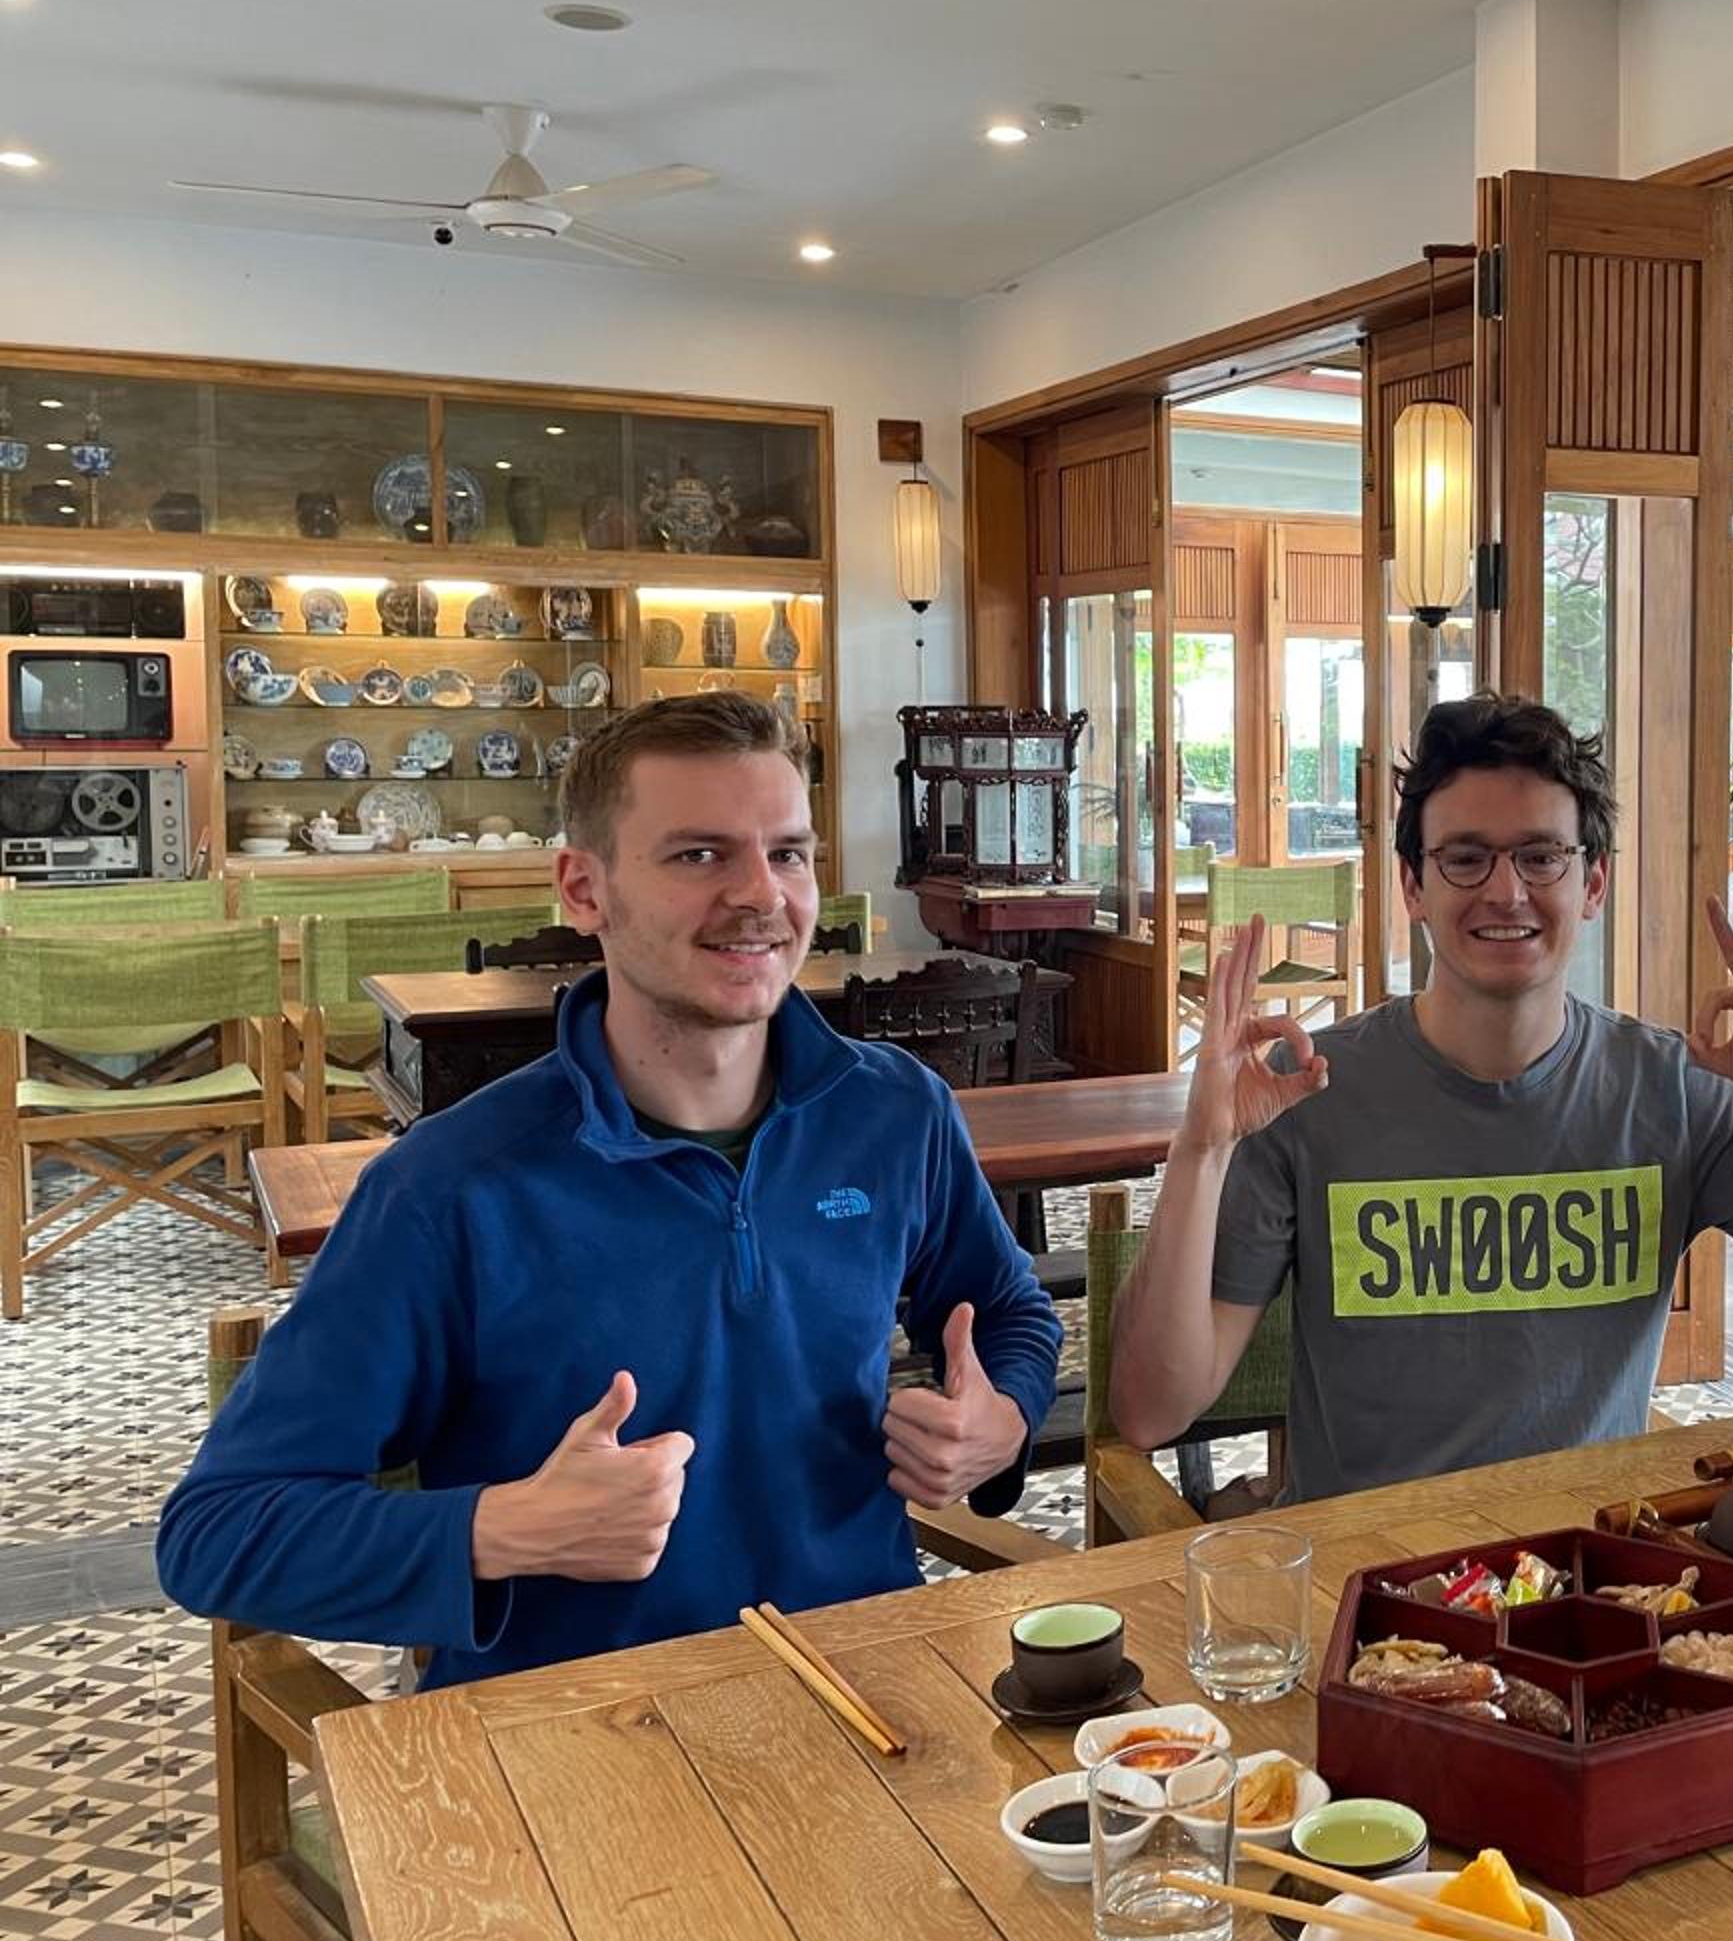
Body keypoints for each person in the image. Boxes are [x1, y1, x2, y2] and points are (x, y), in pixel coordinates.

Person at [158, 694, 1060, 1684]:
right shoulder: (448, 1187)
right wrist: (501, 1528)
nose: (761, 895)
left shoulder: (895, 1112)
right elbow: (218, 1534)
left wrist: (1005, 1422)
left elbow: (1008, 1310)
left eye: (789, 854)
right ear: (583, 891)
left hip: (861, 1681)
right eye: (700, 855)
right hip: (572, 1725)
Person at [1109, 690, 1733, 1502]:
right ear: (1413, 887)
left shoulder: (1675, 1095)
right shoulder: (1307, 1094)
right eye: (1465, 858)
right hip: (1371, 1581)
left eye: (1541, 856)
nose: (1506, 891)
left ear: (1592, 884)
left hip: (1596, 1574)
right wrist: (1202, 1147)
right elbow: (1152, 1411)